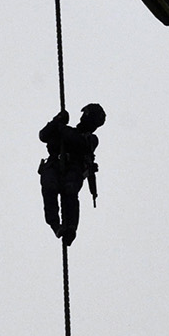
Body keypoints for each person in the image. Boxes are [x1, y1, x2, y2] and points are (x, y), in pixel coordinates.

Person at [38, 103, 106, 246]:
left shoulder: (91, 139)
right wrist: (57, 120)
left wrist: (61, 127)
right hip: (54, 165)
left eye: (85, 116)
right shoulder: (65, 130)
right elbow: (43, 135)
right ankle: (56, 225)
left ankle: (70, 228)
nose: (81, 118)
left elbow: (76, 140)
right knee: (50, 187)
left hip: (73, 171)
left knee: (70, 191)